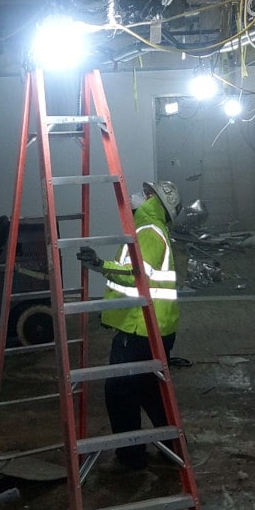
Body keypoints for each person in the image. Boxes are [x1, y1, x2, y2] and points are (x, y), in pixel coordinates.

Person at [77, 180, 182, 470]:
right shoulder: (152, 229)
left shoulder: (147, 230)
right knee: (150, 390)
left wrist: (100, 264)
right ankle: (173, 449)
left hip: (140, 327)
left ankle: (131, 458)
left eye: (147, 192)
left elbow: (138, 275)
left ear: (153, 200)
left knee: (120, 393)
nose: (138, 193)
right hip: (154, 327)